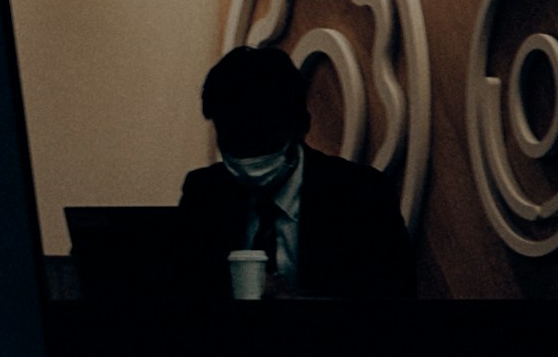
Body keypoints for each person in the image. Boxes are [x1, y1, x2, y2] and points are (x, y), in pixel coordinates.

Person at [177, 41, 417, 303]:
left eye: (260, 138)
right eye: (232, 137)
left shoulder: (360, 195)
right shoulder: (205, 193)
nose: (247, 154)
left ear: (300, 127)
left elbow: (394, 295)